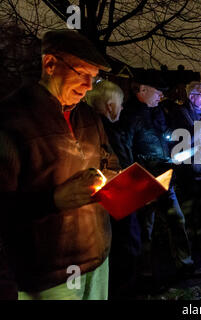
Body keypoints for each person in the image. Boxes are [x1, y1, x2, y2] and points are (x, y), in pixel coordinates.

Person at [0, 30, 119, 300]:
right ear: (50, 64)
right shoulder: (12, 120)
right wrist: (53, 200)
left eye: (95, 76)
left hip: (98, 260)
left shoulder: (88, 115)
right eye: (82, 73)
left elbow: (109, 161)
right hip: (49, 274)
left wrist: (120, 183)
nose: (90, 86)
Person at [120, 73, 201, 281]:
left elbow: (166, 138)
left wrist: (175, 154)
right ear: (143, 90)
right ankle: (145, 273)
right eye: (158, 92)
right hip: (143, 180)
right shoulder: (131, 116)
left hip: (163, 175)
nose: (161, 96)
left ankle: (184, 266)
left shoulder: (157, 112)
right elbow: (125, 150)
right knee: (145, 228)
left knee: (176, 220)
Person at [84, 80, 141, 299]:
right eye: (120, 103)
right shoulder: (105, 133)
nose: (123, 108)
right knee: (124, 260)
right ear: (109, 106)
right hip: (117, 209)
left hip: (118, 207)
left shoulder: (101, 129)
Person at [170, 81, 201, 254]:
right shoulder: (181, 114)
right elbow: (186, 140)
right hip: (191, 173)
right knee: (191, 212)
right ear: (192, 96)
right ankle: (190, 246)